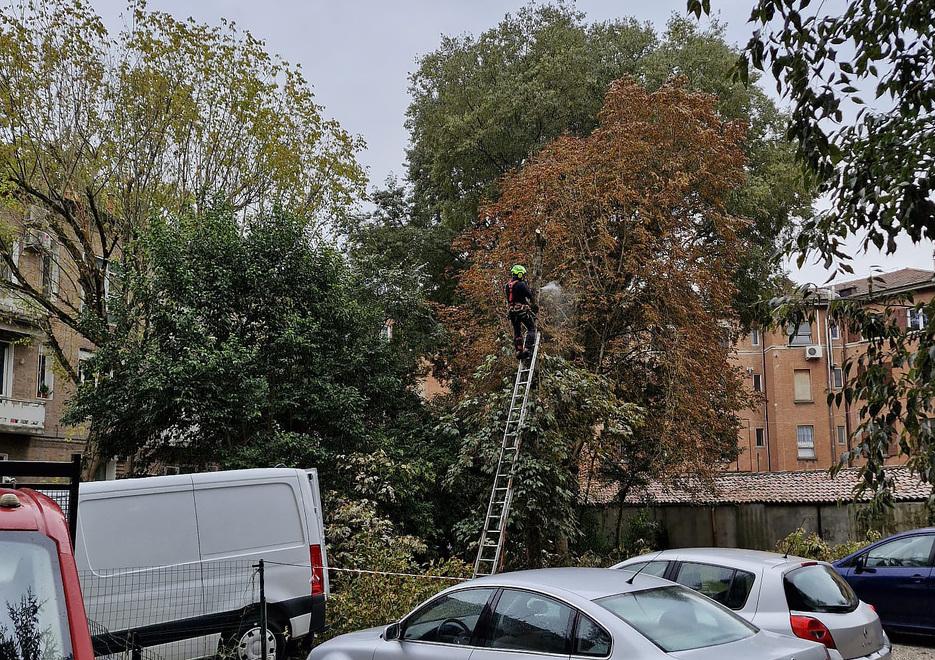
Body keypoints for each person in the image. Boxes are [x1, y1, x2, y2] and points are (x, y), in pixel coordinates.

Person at [505, 264, 536, 360]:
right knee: (531, 329)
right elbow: (529, 295)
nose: (523, 276)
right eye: (522, 274)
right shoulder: (521, 284)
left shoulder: (507, 286)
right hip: (521, 310)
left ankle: (518, 351)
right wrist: (534, 306)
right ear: (519, 274)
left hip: (512, 312)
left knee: (517, 331)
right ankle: (527, 349)